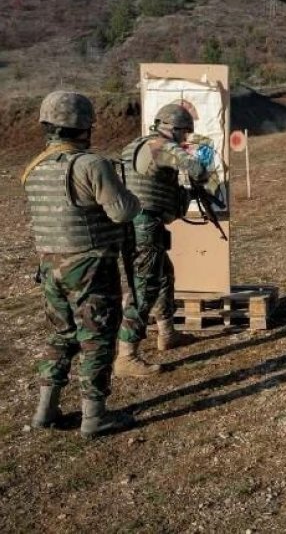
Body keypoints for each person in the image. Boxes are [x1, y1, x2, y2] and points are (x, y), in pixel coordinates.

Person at [22, 91, 140, 438]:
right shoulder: (91, 165)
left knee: (61, 335)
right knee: (98, 337)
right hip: (88, 266)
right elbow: (122, 212)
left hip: (49, 267)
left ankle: (46, 410)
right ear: (85, 125)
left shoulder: (35, 166)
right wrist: (131, 195)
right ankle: (94, 416)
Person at [114, 104, 209, 377]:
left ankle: (167, 333)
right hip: (144, 224)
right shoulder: (162, 147)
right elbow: (197, 169)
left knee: (164, 275)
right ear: (175, 128)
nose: (185, 139)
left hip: (139, 223)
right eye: (184, 134)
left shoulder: (134, 146)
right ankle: (126, 355)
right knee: (143, 288)